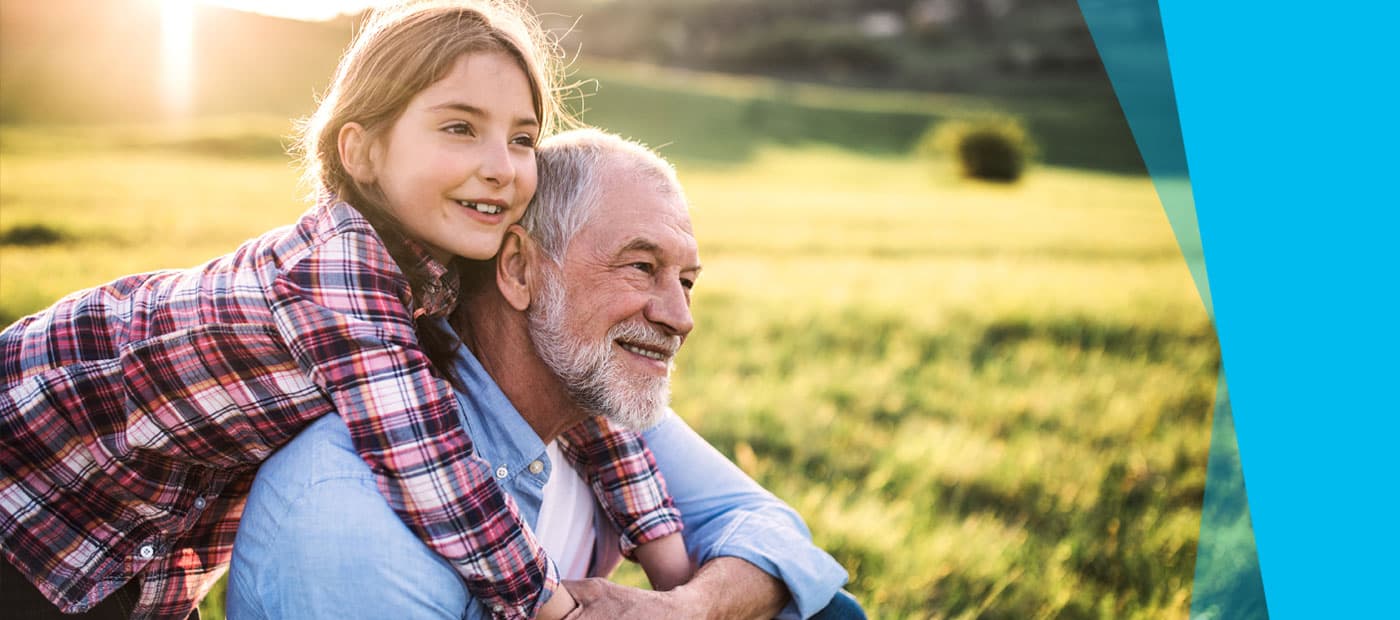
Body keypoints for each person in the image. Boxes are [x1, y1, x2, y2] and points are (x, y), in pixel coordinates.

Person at [0, 3, 687, 618]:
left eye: (521, 139)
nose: (501, 167)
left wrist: (670, 566)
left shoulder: (447, 258)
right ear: (361, 152)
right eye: (460, 127)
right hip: (35, 483)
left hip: (136, 533)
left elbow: (576, 387)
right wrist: (555, 608)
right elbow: (431, 468)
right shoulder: (339, 271)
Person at [227, 129, 862, 619]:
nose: (680, 317)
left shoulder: (595, 406)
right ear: (520, 270)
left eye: (687, 281)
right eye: (641, 267)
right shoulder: (350, 511)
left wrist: (683, 609)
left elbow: (782, 540)